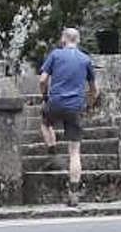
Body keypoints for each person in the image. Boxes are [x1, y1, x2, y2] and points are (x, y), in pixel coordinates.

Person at [40, 27, 98, 207]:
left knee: (45, 123)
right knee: (74, 151)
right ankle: (73, 192)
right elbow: (94, 89)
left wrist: (45, 96)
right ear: (78, 40)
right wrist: (88, 103)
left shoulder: (55, 55)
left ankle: (52, 154)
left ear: (63, 39)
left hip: (55, 102)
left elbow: (42, 80)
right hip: (75, 106)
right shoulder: (85, 59)